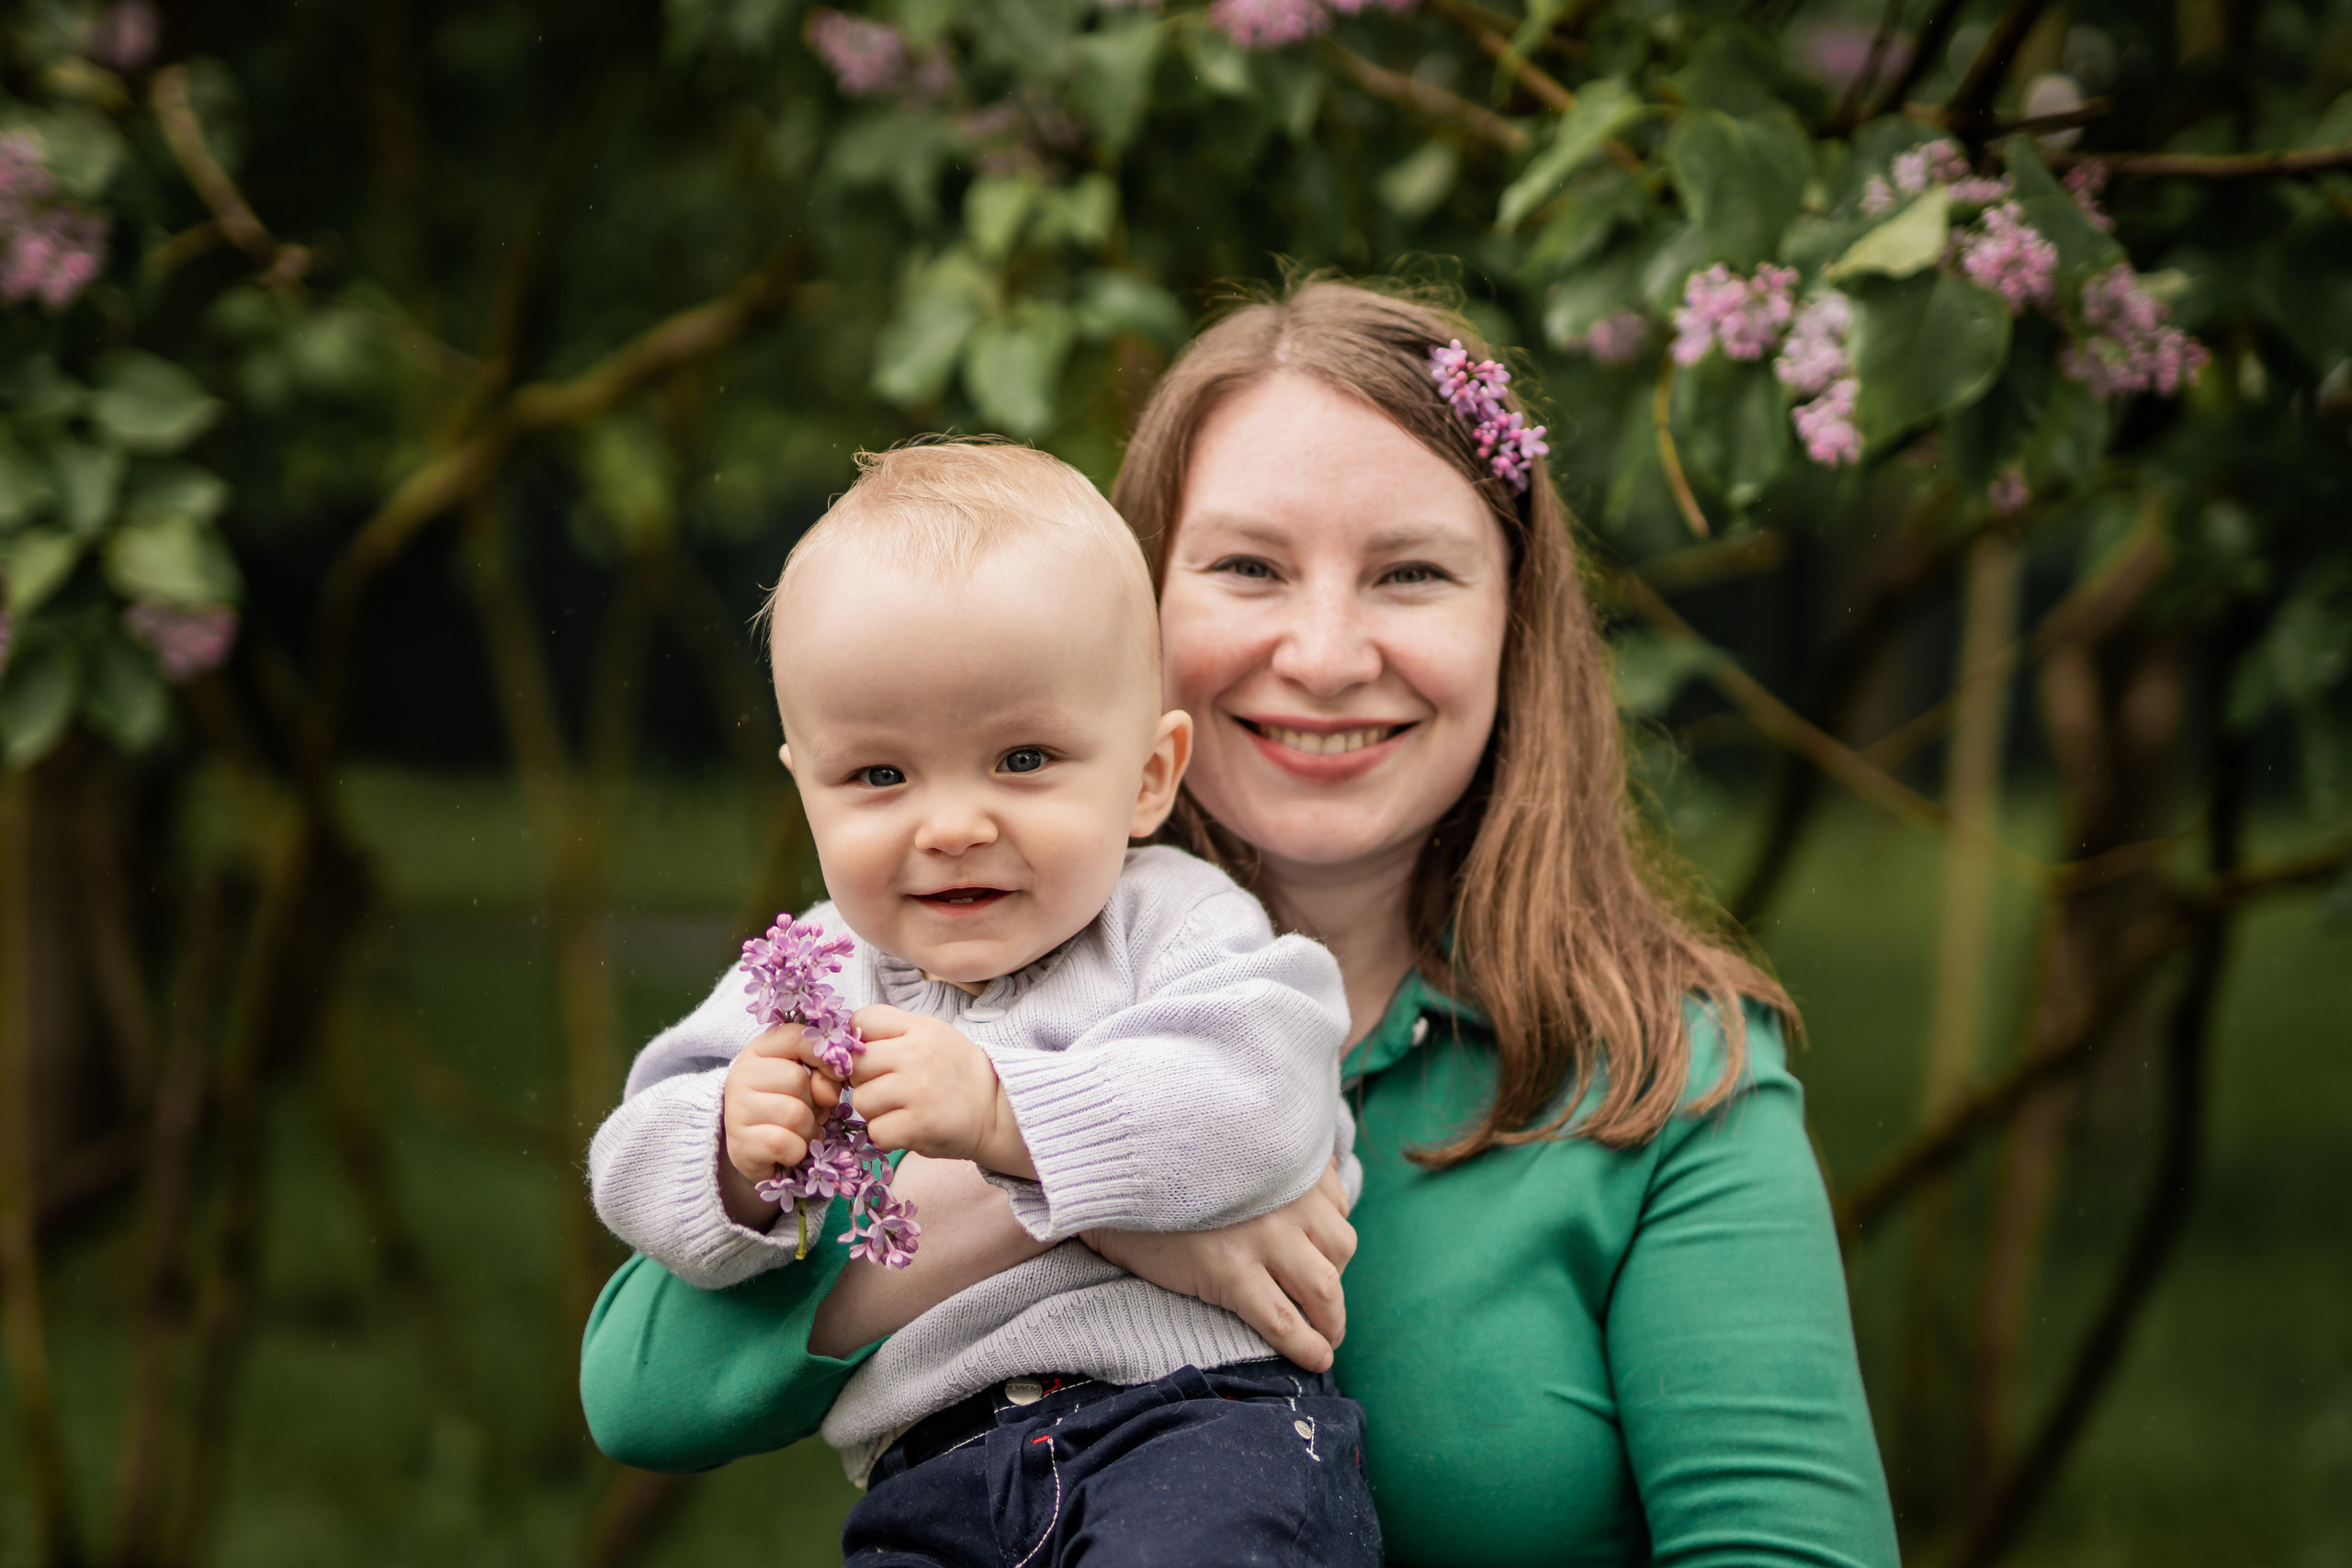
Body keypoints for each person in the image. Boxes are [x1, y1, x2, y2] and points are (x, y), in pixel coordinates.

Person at [582, 281, 1902, 1567]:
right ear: (1144, 604)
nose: (1325, 653)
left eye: (1412, 573)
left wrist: (1023, 1138)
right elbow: (645, 1383)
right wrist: (1129, 1215)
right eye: (1248, 565)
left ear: (1514, 617)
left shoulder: (1670, 1073)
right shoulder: (953, 952)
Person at [586, 440, 1381, 1565]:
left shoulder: (1175, 926)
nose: (951, 823)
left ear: (1149, 775)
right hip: (936, 1467)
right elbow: (635, 1155)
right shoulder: (808, 978)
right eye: (877, 775)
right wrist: (727, 1154)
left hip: (1192, 1430)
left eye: (1021, 757)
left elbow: (1260, 1105)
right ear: (804, 789)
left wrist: (1005, 1113)